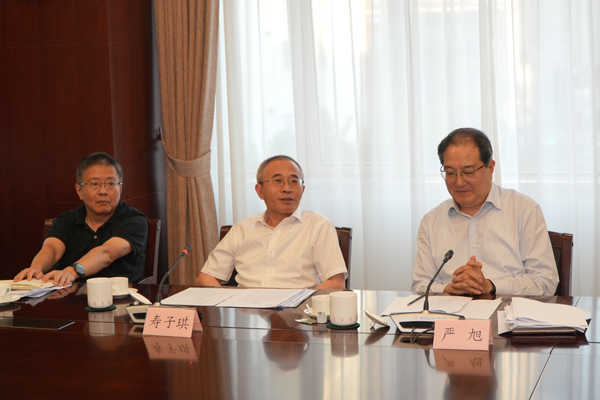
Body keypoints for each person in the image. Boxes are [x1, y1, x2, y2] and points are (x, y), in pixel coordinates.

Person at [412, 128, 559, 295]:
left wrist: (490, 286)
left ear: (490, 168)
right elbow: (420, 285)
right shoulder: (431, 221)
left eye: (468, 172)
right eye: (450, 173)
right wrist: (450, 289)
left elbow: (545, 282)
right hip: (451, 310)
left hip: (508, 309)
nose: (459, 182)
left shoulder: (524, 210)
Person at [195, 155, 347, 289]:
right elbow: (205, 278)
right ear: (260, 191)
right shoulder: (242, 229)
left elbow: (336, 283)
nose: (287, 188)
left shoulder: (318, 225)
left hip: (297, 309)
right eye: (278, 181)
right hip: (245, 308)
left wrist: (300, 304)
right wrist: (228, 304)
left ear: (303, 189)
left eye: (294, 181)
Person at [14, 152, 148, 286]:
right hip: (67, 294)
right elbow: (52, 249)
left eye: (111, 183)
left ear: (120, 188)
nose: (103, 191)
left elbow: (106, 253)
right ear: (79, 190)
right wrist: (36, 270)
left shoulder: (134, 220)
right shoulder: (67, 219)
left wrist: (71, 272)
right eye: (94, 184)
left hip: (116, 295)